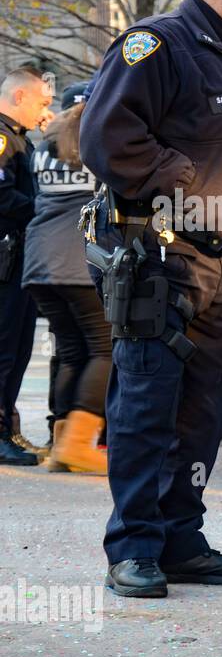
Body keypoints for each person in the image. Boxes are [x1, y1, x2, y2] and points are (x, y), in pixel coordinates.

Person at [78, 0, 222, 597]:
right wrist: (187, 179)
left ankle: (180, 536)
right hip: (158, 255)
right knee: (147, 404)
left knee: (199, 412)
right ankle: (134, 544)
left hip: (219, 261)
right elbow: (105, 135)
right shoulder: (158, 44)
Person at [22, 81, 108, 472]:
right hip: (77, 260)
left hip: (39, 260)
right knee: (106, 350)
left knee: (72, 350)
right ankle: (77, 444)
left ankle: (61, 444)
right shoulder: (97, 143)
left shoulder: (43, 148)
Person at [0, 66, 53, 466]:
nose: (44, 112)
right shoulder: (3, 139)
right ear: (19, 96)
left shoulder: (21, 140)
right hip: (6, 258)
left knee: (16, 350)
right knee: (3, 349)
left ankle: (9, 429)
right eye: (42, 102)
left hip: (21, 259)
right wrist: (44, 212)